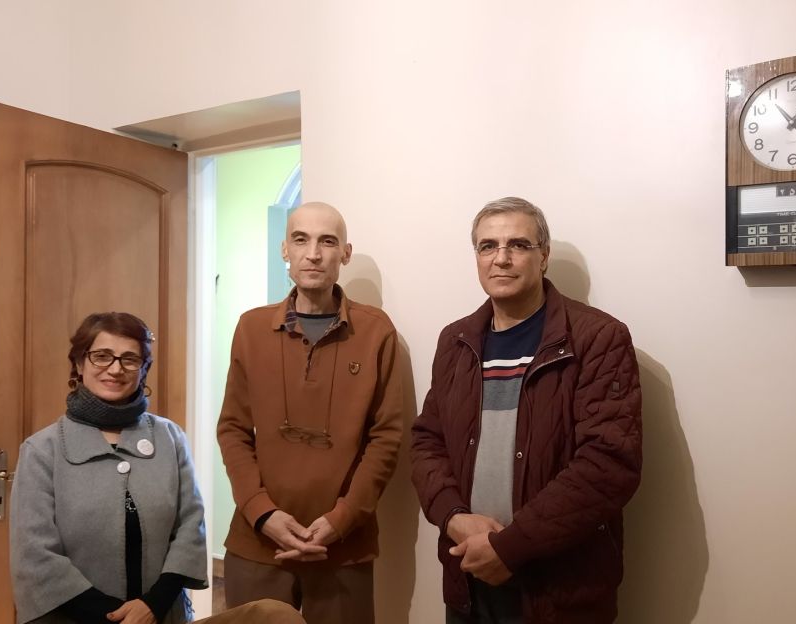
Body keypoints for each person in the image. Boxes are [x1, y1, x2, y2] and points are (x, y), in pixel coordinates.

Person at [410, 197, 643, 624]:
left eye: (517, 244)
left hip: (558, 589)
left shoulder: (599, 338)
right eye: (487, 246)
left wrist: (510, 547)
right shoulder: (455, 341)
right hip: (468, 578)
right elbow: (428, 441)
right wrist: (454, 517)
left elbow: (608, 465)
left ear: (544, 256)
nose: (501, 258)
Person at [10, 312, 307, 624]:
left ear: (144, 370)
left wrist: (152, 605)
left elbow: (191, 526)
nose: (115, 368)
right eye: (101, 356)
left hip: (161, 614)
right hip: (77, 618)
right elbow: (35, 556)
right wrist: (115, 616)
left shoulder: (169, 437)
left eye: (130, 359)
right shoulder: (42, 450)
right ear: (80, 365)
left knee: (275, 616)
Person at [216, 201, 405, 624]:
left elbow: (387, 438)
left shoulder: (376, 332)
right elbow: (233, 430)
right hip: (258, 540)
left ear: (346, 253)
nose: (313, 253)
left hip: (342, 545)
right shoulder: (251, 328)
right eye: (300, 240)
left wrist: (341, 520)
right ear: (285, 249)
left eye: (327, 241)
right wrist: (262, 512)